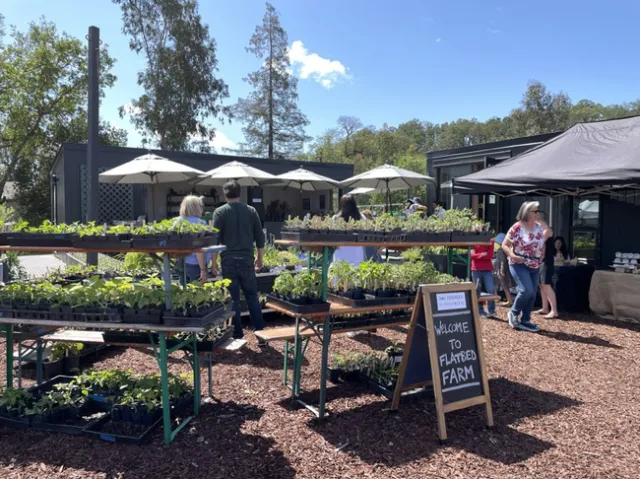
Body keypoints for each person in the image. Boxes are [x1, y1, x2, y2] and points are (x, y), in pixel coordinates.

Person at [211, 180, 266, 345]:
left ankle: (237, 334)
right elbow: (259, 236)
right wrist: (260, 257)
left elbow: (215, 240)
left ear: (225, 194)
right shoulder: (251, 211)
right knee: (252, 296)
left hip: (228, 261)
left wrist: (213, 264)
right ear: (240, 194)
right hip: (247, 260)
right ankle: (261, 333)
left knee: (233, 299)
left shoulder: (219, 212)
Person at [502, 201, 552, 332]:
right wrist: (512, 256)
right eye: (535, 211)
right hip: (519, 263)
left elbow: (542, 242)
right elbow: (504, 245)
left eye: (538, 211)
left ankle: (525, 320)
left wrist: (542, 255)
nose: (537, 214)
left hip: (535, 264)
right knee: (526, 290)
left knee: (532, 293)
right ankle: (513, 312)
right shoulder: (517, 227)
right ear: (526, 212)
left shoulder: (538, 227)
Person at [177, 195, 209, 284]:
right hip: (196, 264)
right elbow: (199, 249)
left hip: (182, 263)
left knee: (184, 293)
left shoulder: (177, 222)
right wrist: (203, 269)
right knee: (197, 294)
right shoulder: (201, 223)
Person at [471, 234, 497, 319]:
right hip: (475, 269)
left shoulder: (491, 240)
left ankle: (491, 311)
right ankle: (480, 311)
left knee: (491, 289)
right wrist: (482, 254)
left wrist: (478, 255)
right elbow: (471, 256)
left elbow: (490, 255)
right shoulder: (473, 240)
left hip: (487, 269)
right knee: (477, 290)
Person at [536, 226, 559, 319]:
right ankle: (545, 308)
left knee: (546, 285)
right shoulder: (541, 235)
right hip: (542, 263)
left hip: (547, 263)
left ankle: (554, 311)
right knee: (542, 285)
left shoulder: (548, 233)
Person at [493, 233, 514, 306]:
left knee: (504, 286)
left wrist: (502, 271)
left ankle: (509, 300)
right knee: (499, 284)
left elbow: (503, 261)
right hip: (502, 269)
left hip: (501, 270)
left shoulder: (501, 250)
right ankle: (506, 299)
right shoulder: (506, 249)